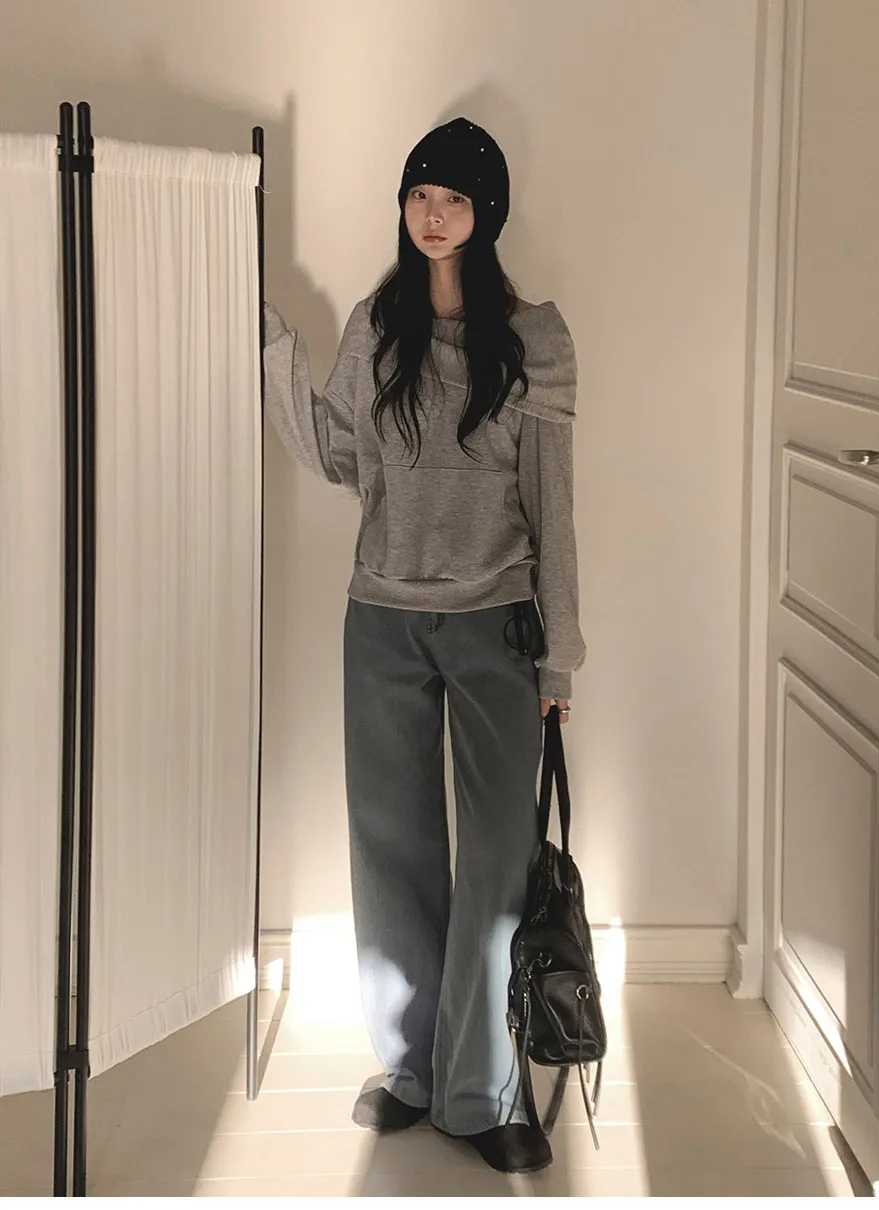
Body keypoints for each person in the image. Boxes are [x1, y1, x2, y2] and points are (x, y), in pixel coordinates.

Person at [263, 117, 586, 1175]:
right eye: (419, 195)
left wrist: (561, 656)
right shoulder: (378, 325)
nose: (433, 214)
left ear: (486, 212)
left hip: (498, 622)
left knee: (496, 860)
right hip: (383, 621)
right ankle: (411, 1071)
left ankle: (481, 1093)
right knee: (391, 844)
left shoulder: (535, 338)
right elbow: (339, 454)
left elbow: (553, 507)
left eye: (453, 197)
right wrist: (273, 353)